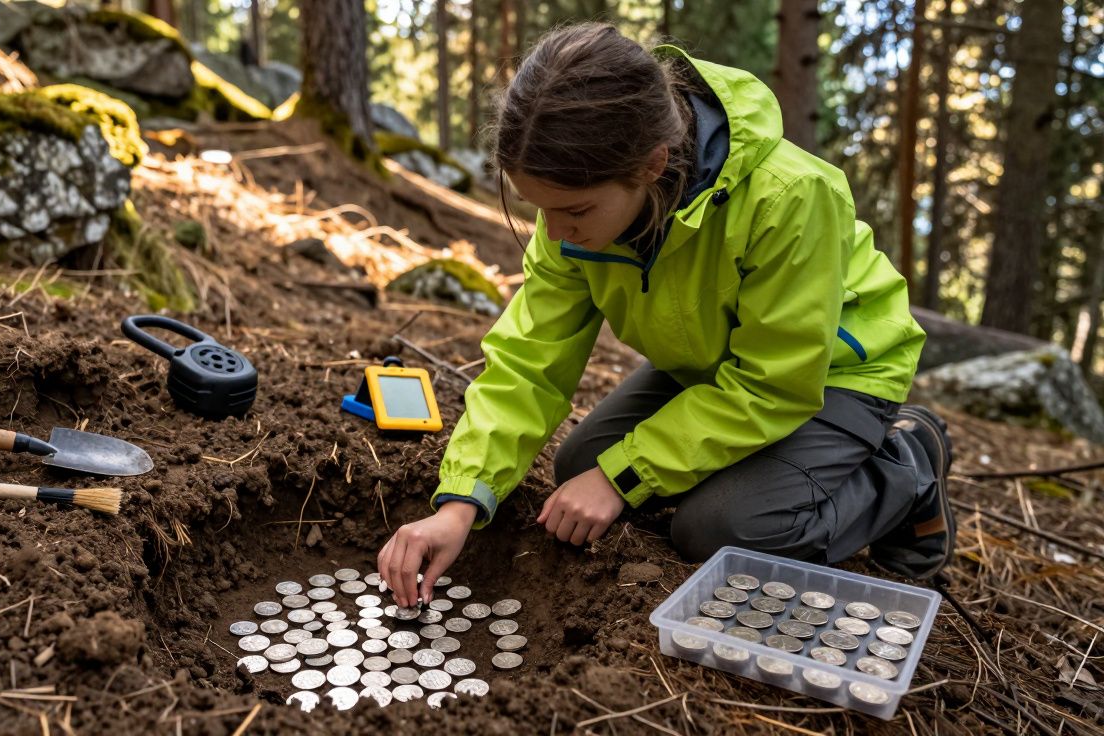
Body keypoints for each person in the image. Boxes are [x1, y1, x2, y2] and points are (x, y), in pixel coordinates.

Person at [377, 23, 954, 609]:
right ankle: (753, 473)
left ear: (652, 164)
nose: (553, 234)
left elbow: (775, 383)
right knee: (579, 466)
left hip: (836, 372)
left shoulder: (791, 197)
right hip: (712, 365)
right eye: (538, 209)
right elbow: (528, 361)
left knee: (720, 529)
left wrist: (622, 476)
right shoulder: (572, 223)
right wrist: (461, 502)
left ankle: (907, 468)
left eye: (575, 210)